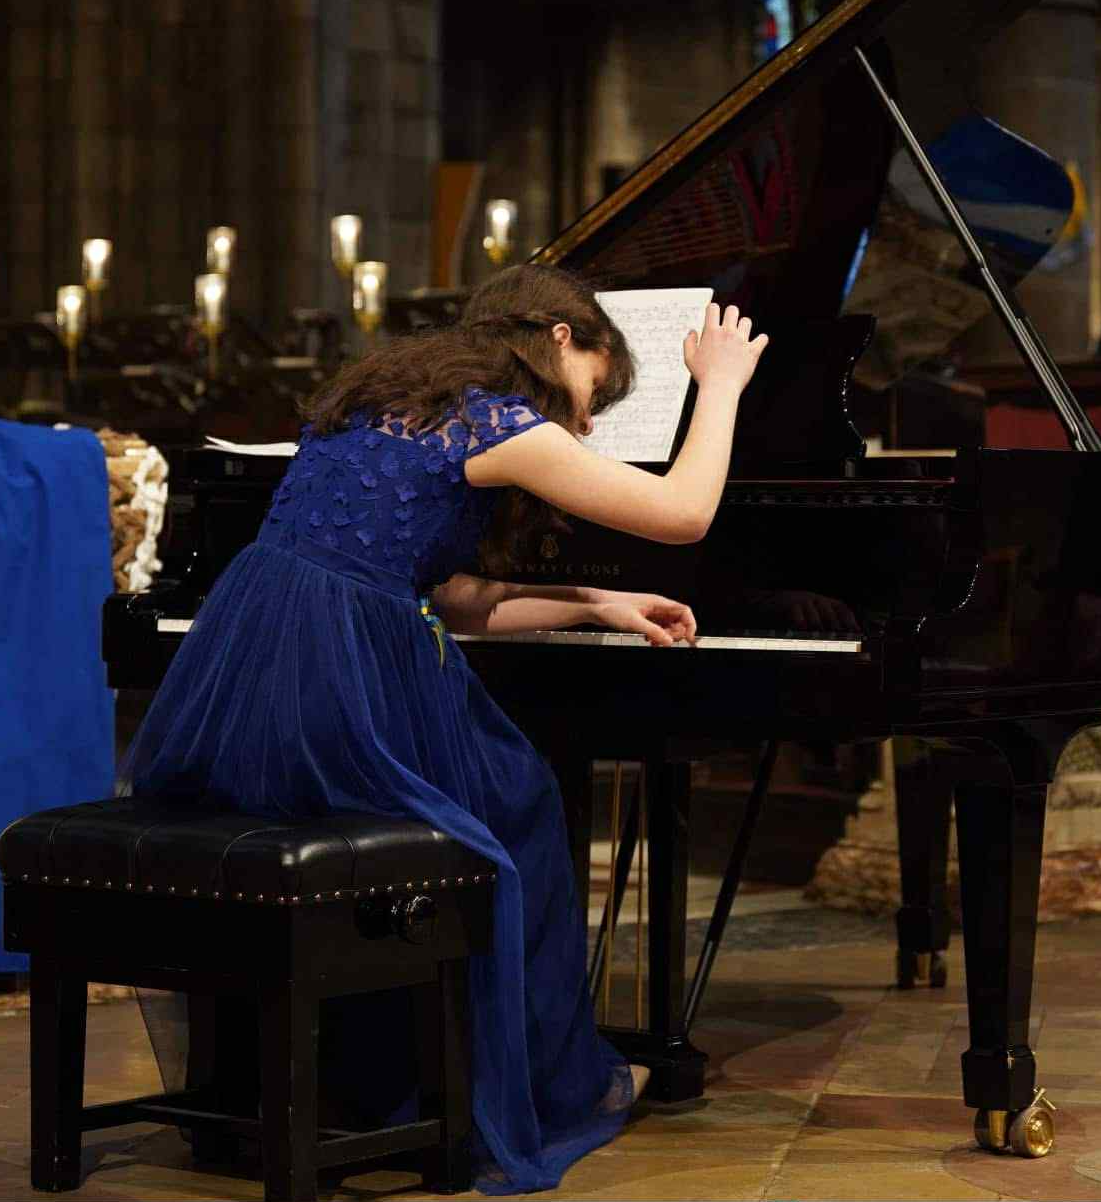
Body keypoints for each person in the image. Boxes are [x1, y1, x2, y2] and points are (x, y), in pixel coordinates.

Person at [122, 263, 768, 1193]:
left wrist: (596, 601)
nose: (586, 426)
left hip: (252, 664)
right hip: (343, 676)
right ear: (557, 341)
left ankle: (383, 1081)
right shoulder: (500, 421)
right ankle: (506, 1091)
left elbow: (455, 601)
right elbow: (685, 512)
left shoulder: (380, 400)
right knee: (516, 813)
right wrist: (721, 386)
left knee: (497, 799)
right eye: (595, 389)